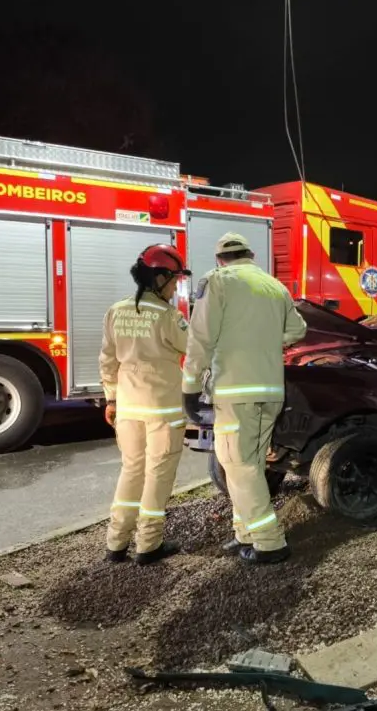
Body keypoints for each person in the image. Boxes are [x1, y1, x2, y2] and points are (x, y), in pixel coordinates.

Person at [183, 232, 307, 565]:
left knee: (239, 466)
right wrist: (264, 339)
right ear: (250, 255)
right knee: (245, 465)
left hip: (236, 391)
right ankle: (245, 533)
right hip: (270, 391)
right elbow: (298, 331)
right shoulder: (274, 286)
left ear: (220, 259)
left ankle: (270, 542)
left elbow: (200, 337)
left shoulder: (218, 282)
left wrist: (190, 386)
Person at [99, 245, 191, 565]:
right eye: (174, 280)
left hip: (127, 408)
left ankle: (116, 543)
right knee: (157, 476)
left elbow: (108, 361)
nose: (176, 286)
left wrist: (111, 398)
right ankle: (148, 545)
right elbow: (194, 352)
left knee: (131, 471)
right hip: (162, 412)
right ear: (160, 277)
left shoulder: (116, 311)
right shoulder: (169, 316)